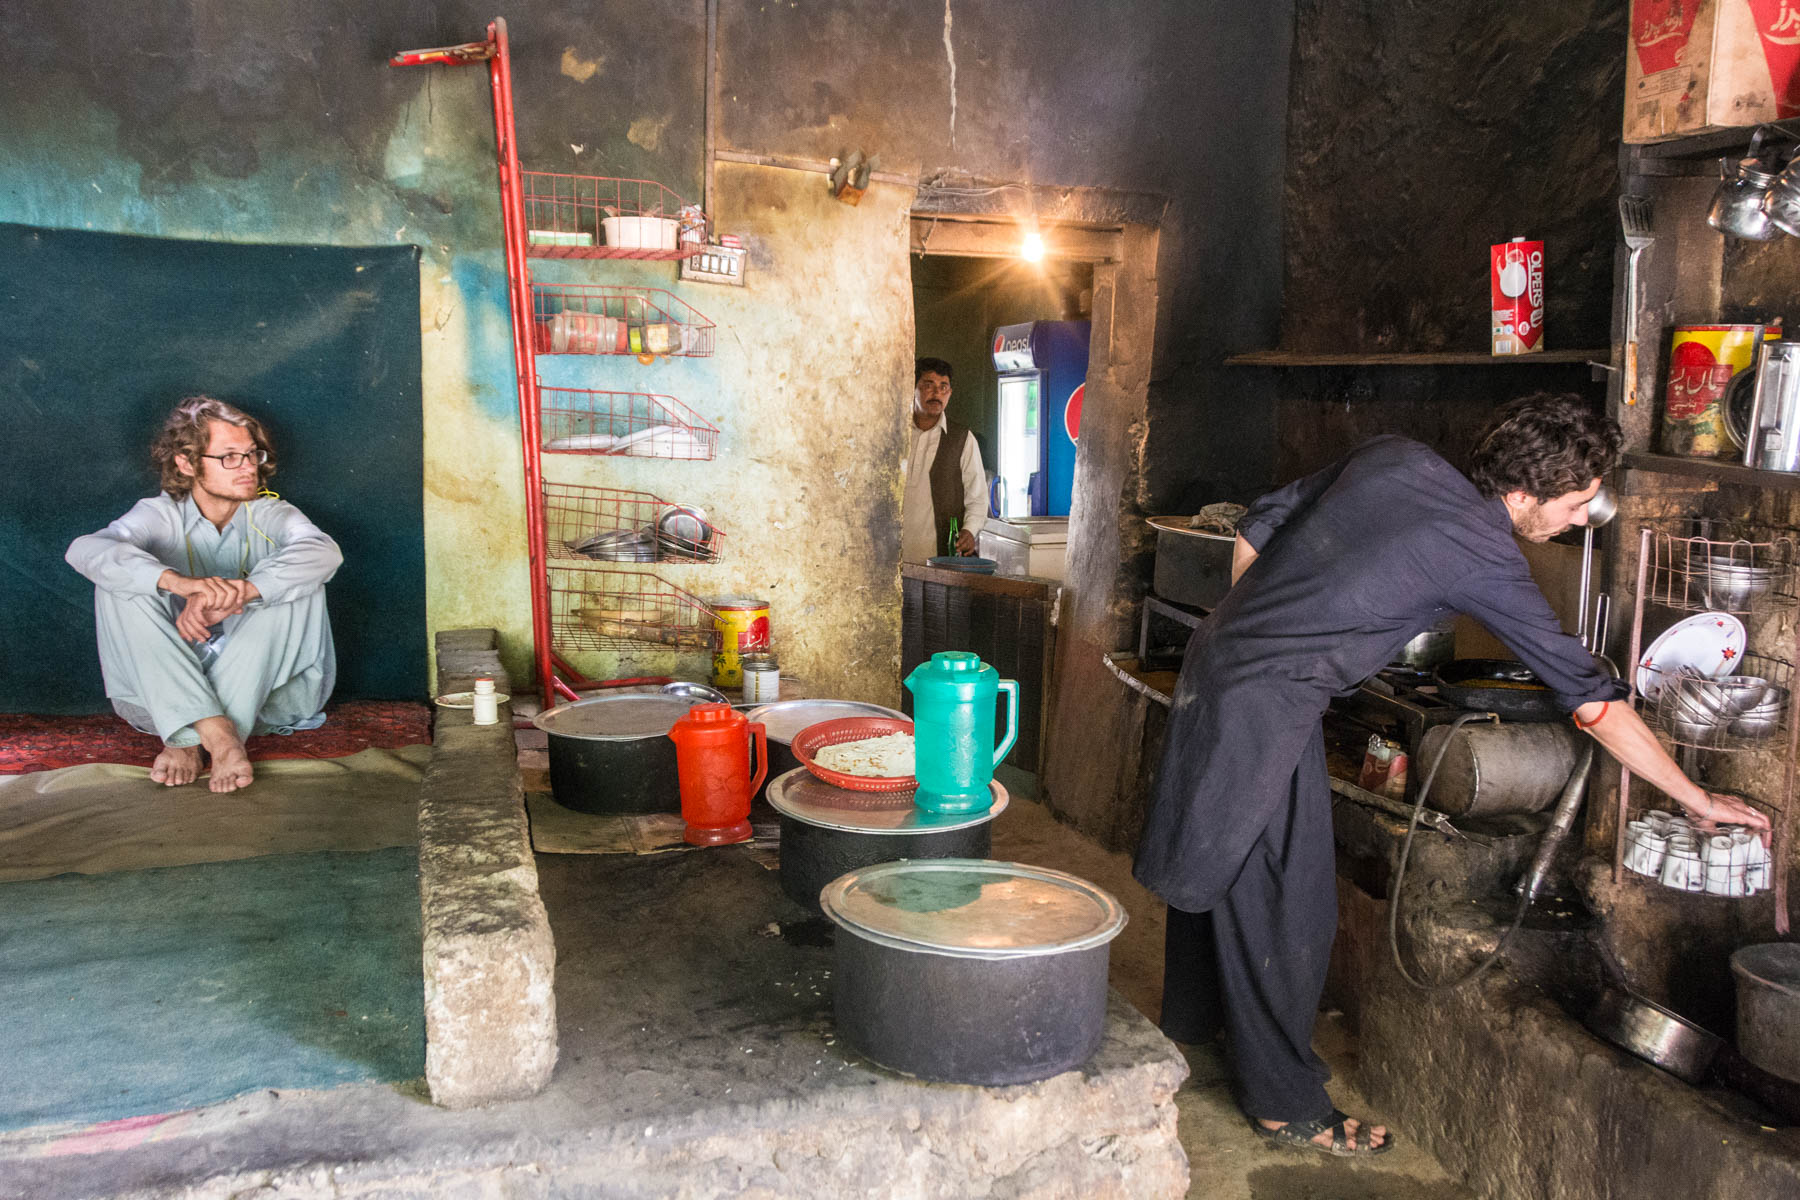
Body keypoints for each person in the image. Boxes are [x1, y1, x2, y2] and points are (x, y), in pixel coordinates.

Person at [1134, 393, 1770, 1159]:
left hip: (1219, 658)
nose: (1574, 521)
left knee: (1221, 845)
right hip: (1265, 701)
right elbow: (1594, 704)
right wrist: (1697, 797)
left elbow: (1260, 520)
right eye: (1571, 505)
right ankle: (1282, 1104)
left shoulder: (1396, 455)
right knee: (1286, 897)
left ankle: (1191, 1022)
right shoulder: (1485, 553)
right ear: (1524, 493)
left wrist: (1256, 626)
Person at [66, 397, 342, 794]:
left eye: (252, 454)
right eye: (230, 457)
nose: (249, 467)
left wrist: (246, 592)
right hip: (159, 692)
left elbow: (322, 551)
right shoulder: (159, 514)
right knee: (121, 580)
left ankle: (188, 735)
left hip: (269, 695)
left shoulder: (271, 513)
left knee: (296, 581)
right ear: (186, 462)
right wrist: (178, 583)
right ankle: (221, 737)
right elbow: (85, 549)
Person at [901, 357, 987, 562]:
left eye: (943, 387)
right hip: (891, 559)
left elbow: (978, 497)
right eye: (928, 385)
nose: (936, 393)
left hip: (939, 561)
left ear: (950, 393)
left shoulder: (961, 439)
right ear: (912, 388)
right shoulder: (895, 435)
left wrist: (969, 531)